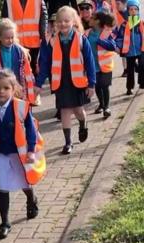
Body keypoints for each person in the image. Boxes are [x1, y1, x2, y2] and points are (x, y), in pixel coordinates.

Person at [0, 69, 46, 239]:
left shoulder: (21, 106)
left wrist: (31, 150)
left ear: (13, 89)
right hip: (0, 153)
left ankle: (31, 200)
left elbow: (31, 129)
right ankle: (5, 222)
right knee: (2, 187)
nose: (1, 91)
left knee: (24, 182)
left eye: (6, 88)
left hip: (18, 153)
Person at [35, 6, 96, 155]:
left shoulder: (82, 40)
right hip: (61, 83)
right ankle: (68, 142)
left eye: (66, 21)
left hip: (77, 82)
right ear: (56, 23)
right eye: (59, 21)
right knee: (65, 111)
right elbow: (44, 64)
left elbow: (90, 62)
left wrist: (92, 84)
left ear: (73, 22)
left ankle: (83, 123)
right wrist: (38, 83)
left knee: (78, 110)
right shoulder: (52, 42)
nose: (63, 24)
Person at [0, 18, 38, 105]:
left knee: (17, 110)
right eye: (7, 38)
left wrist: (31, 88)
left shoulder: (20, 51)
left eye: (12, 37)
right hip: (1, 88)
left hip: (18, 88)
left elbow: (27, 72)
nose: (10, 40)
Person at [1, 0, 48, 77]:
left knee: (32, 72)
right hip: (15, 43)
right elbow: (4, 21)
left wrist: (43, 34)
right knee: (16, 71)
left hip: (33, 44)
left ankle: (31, 87)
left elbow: (43, 16)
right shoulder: (9, 1)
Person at [86, 11, 117, 118]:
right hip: (92, 66)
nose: (89, 19)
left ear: (97, 21)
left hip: (105, 66)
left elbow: (113, 46)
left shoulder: (106, 33)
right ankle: (101, 104)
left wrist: (100, 41)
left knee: (105, 86)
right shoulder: (87, 33)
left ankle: (107, 107)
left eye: (92, 18)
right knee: (97, 87)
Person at [116, 0, 144, 95]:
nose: (133, 11)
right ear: (127, 11)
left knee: (142, 67)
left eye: (135, 9)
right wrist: (118, 47)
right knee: (130, 71)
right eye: (130, 9)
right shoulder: (124, 25)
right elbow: (119, 37)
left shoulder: (142, 23)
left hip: (141, 50)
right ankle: (129, 87)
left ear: (138, 11)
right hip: (129, 51)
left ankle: (142, 83)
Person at [113, 0, 129, 77]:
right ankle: (126, 69)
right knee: (123, 54)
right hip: (119, 38)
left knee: (126, 54)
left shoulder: (130, 12)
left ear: (125, 4)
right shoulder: (116, 14)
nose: (117, 5)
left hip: (128, 38)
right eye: (116, 4)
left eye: (118, 4)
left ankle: (127, 69)